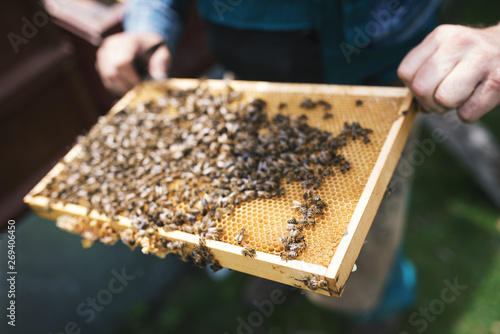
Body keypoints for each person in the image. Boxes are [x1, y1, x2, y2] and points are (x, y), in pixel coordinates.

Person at [95, 0, 500, 326]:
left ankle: (376, 308)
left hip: (381, 81)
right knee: (251, 212)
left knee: (368, 232)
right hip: (253, 90)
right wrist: (147, 23)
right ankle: (278, 275)